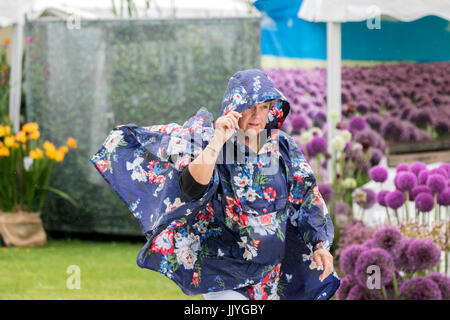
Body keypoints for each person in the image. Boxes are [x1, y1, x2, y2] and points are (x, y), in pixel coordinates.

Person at [90, 69, 340, 300]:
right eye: (249, 107)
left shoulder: (282, 145)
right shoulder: (211, 142)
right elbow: (191, 187)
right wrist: (218, 139)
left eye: (263, 107)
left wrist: (320, 244)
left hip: (273, 272)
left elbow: (306, 195)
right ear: (233, 109)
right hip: (224, 271)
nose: (256, 116)